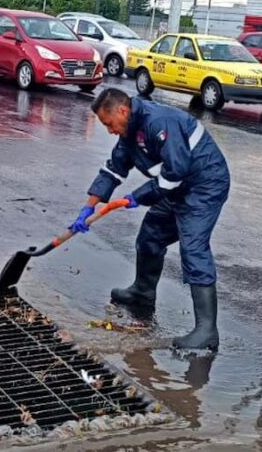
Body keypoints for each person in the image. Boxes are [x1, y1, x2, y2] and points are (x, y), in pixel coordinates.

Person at [71, 89, 231, 350]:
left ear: (122, 110)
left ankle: (206, 330)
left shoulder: (158, 122)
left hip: (204, 184)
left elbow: (177, 169)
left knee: (193, 247)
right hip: (177, 185)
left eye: (108, 123)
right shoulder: (129, 132)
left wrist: (139, 196)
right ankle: (142, 293)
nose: (109, 130)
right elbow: (114, 168)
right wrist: (87, 208)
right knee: (151, 234)